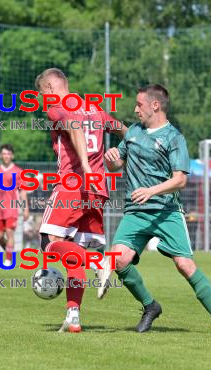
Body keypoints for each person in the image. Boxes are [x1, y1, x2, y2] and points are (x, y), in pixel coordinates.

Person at [104, 84, 211, 334]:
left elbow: (180, 179)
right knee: (118, 259)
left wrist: (151, 190)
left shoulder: (174, 137)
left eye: (139, 104)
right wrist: (112, 159)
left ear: (156, 105)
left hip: (167, 212)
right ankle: (150, 306)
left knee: (184, 265)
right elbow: (116, 166)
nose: (135, 109)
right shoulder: (132, 132)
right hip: (136, 211)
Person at [35, 68, 127, 333]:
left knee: (49, 244)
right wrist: (124, 155)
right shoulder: (94, 109)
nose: (42, 100)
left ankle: (100, 262)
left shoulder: (56, 108)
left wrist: (85, 168)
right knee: (76, 254)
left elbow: (73, 127)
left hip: (72, 185)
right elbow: (123, 130)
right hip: (98, 189)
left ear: (50, 89)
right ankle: (73, 316)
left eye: (42, 94)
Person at [0, 144, 29, 266]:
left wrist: (26, 209)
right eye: (4, 153)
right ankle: (9, 253)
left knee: (9, 233)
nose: (6, 156)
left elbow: (23, 191)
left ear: (12, 155)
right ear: (0, 155)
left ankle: (8, 260)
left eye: (8, 154)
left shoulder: (18, 172)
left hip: (11, 208)